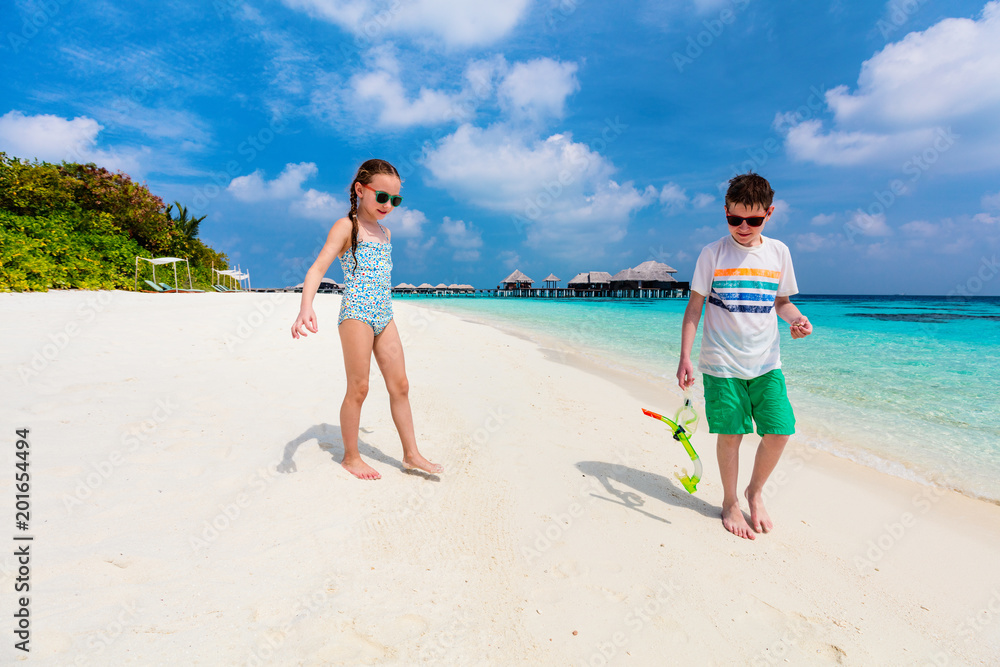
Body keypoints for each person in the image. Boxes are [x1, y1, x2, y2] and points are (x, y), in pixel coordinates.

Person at [676, 172, 812, 540]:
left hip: (767, 363)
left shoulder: (779, 252)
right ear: (725, 212)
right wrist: (685, 356)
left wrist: (797, 320)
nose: (743, 227)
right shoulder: (713, 253)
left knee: (780, 430)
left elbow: (781, 303)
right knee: (731, 435)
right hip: (721, 363)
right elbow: (694, 309)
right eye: (734, 218)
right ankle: (730, 501)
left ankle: (755, 491)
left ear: (769, 214)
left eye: (752, 220)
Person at [291, 158, 442, 479]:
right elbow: (318, 268)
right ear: (360, 190)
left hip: (384, 314)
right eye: (382, 197)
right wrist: (306, 307)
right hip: (357, 312)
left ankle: (411, 453)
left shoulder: (385, 232)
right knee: (359, 388)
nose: (388, 205)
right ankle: (350, 457)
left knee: (400, 385)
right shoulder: (347, 226)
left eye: (395, 200)